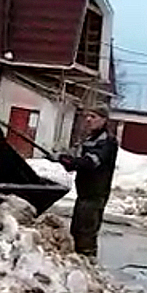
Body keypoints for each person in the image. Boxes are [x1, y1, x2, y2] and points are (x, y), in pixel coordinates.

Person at [50, 104, 118, 261]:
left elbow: (89, 163)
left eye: (93, 117)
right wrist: (65, 160)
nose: (88, 120)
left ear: (104, 120)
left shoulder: (107, 142)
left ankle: (88, 265)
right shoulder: (89, 140)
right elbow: (78, 162)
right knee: (77, 232)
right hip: (84, 195)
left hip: (95, 196)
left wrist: (66, 160)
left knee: (85, 235)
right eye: (87, 116)